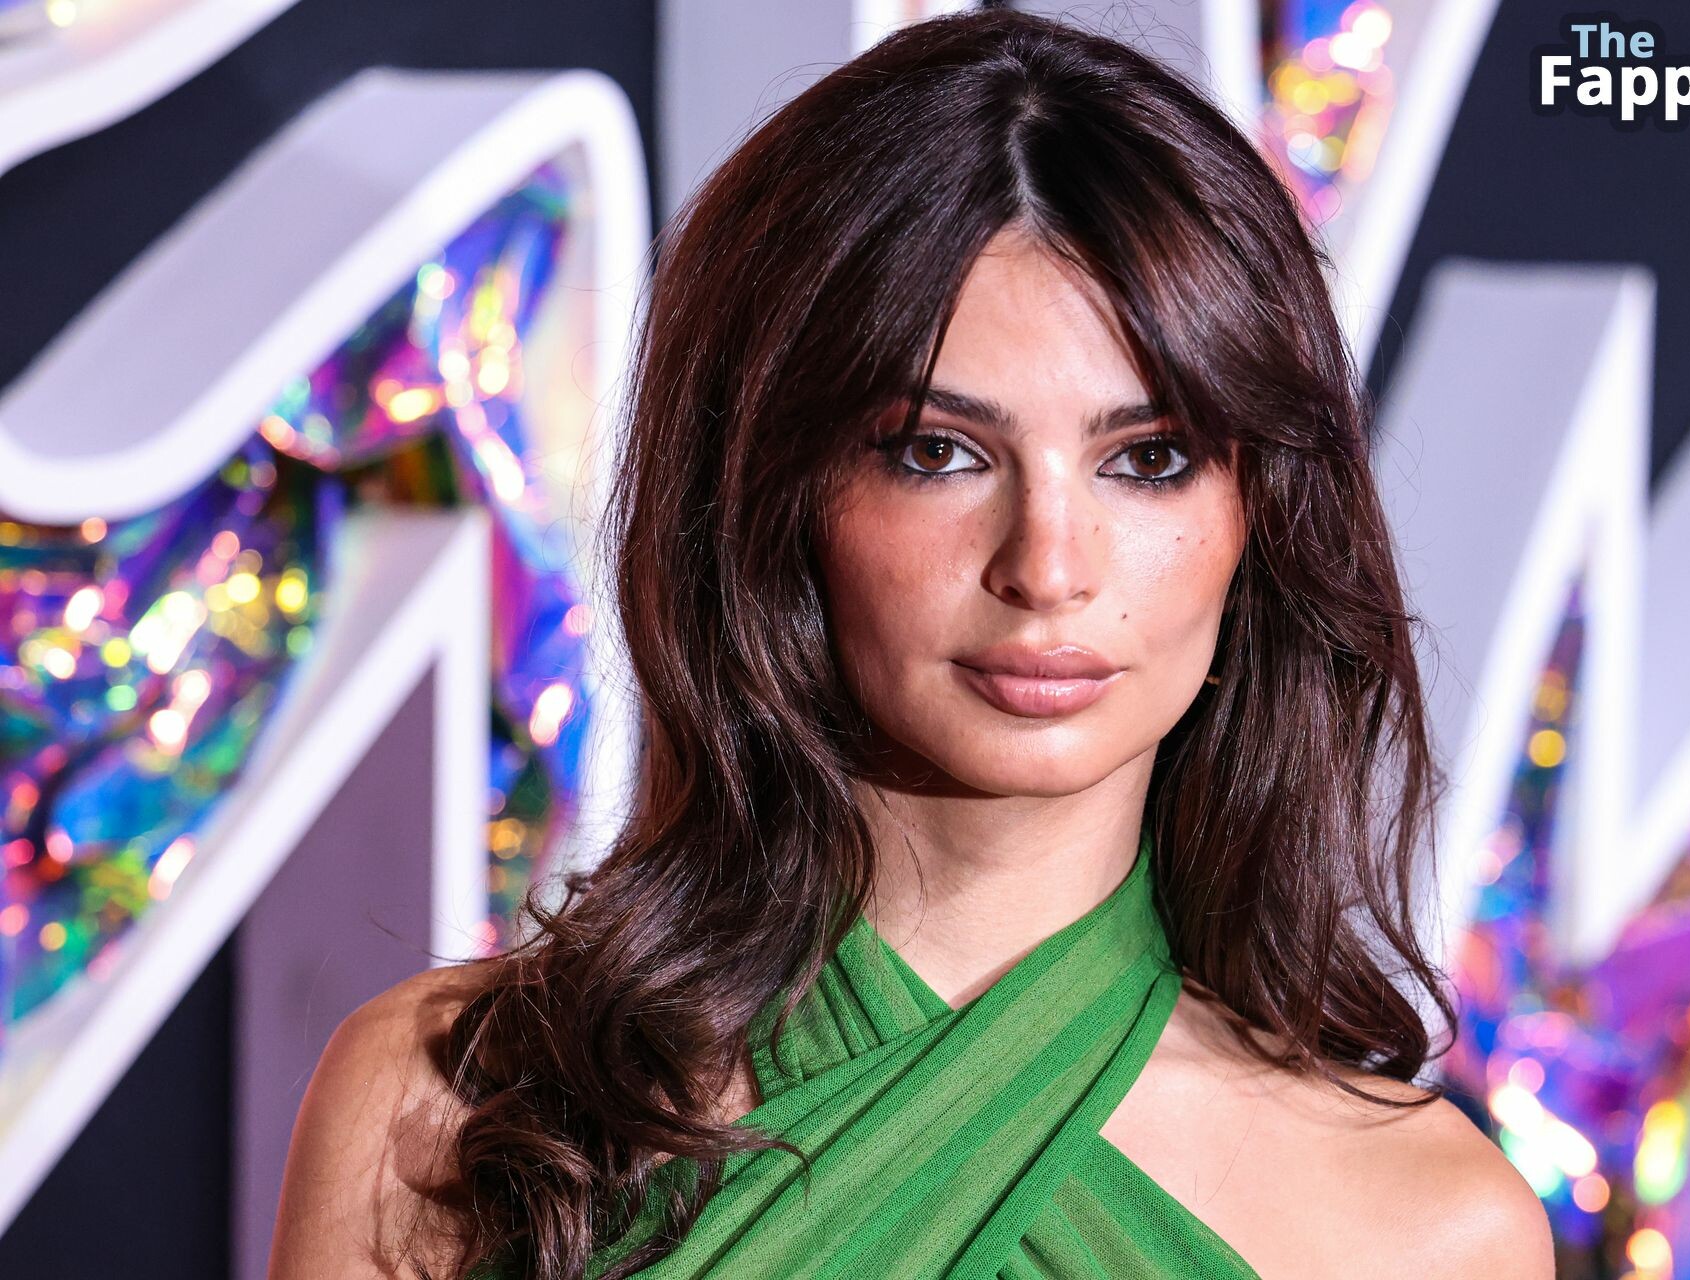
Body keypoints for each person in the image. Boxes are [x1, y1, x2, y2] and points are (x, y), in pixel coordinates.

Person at [267, 10, 1555, 1279]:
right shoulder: (452, 1109)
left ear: (1258, 510)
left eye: (1149, 460)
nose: (1048, 566)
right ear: (771, 490)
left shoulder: (1431, 1230)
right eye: (939, 453)